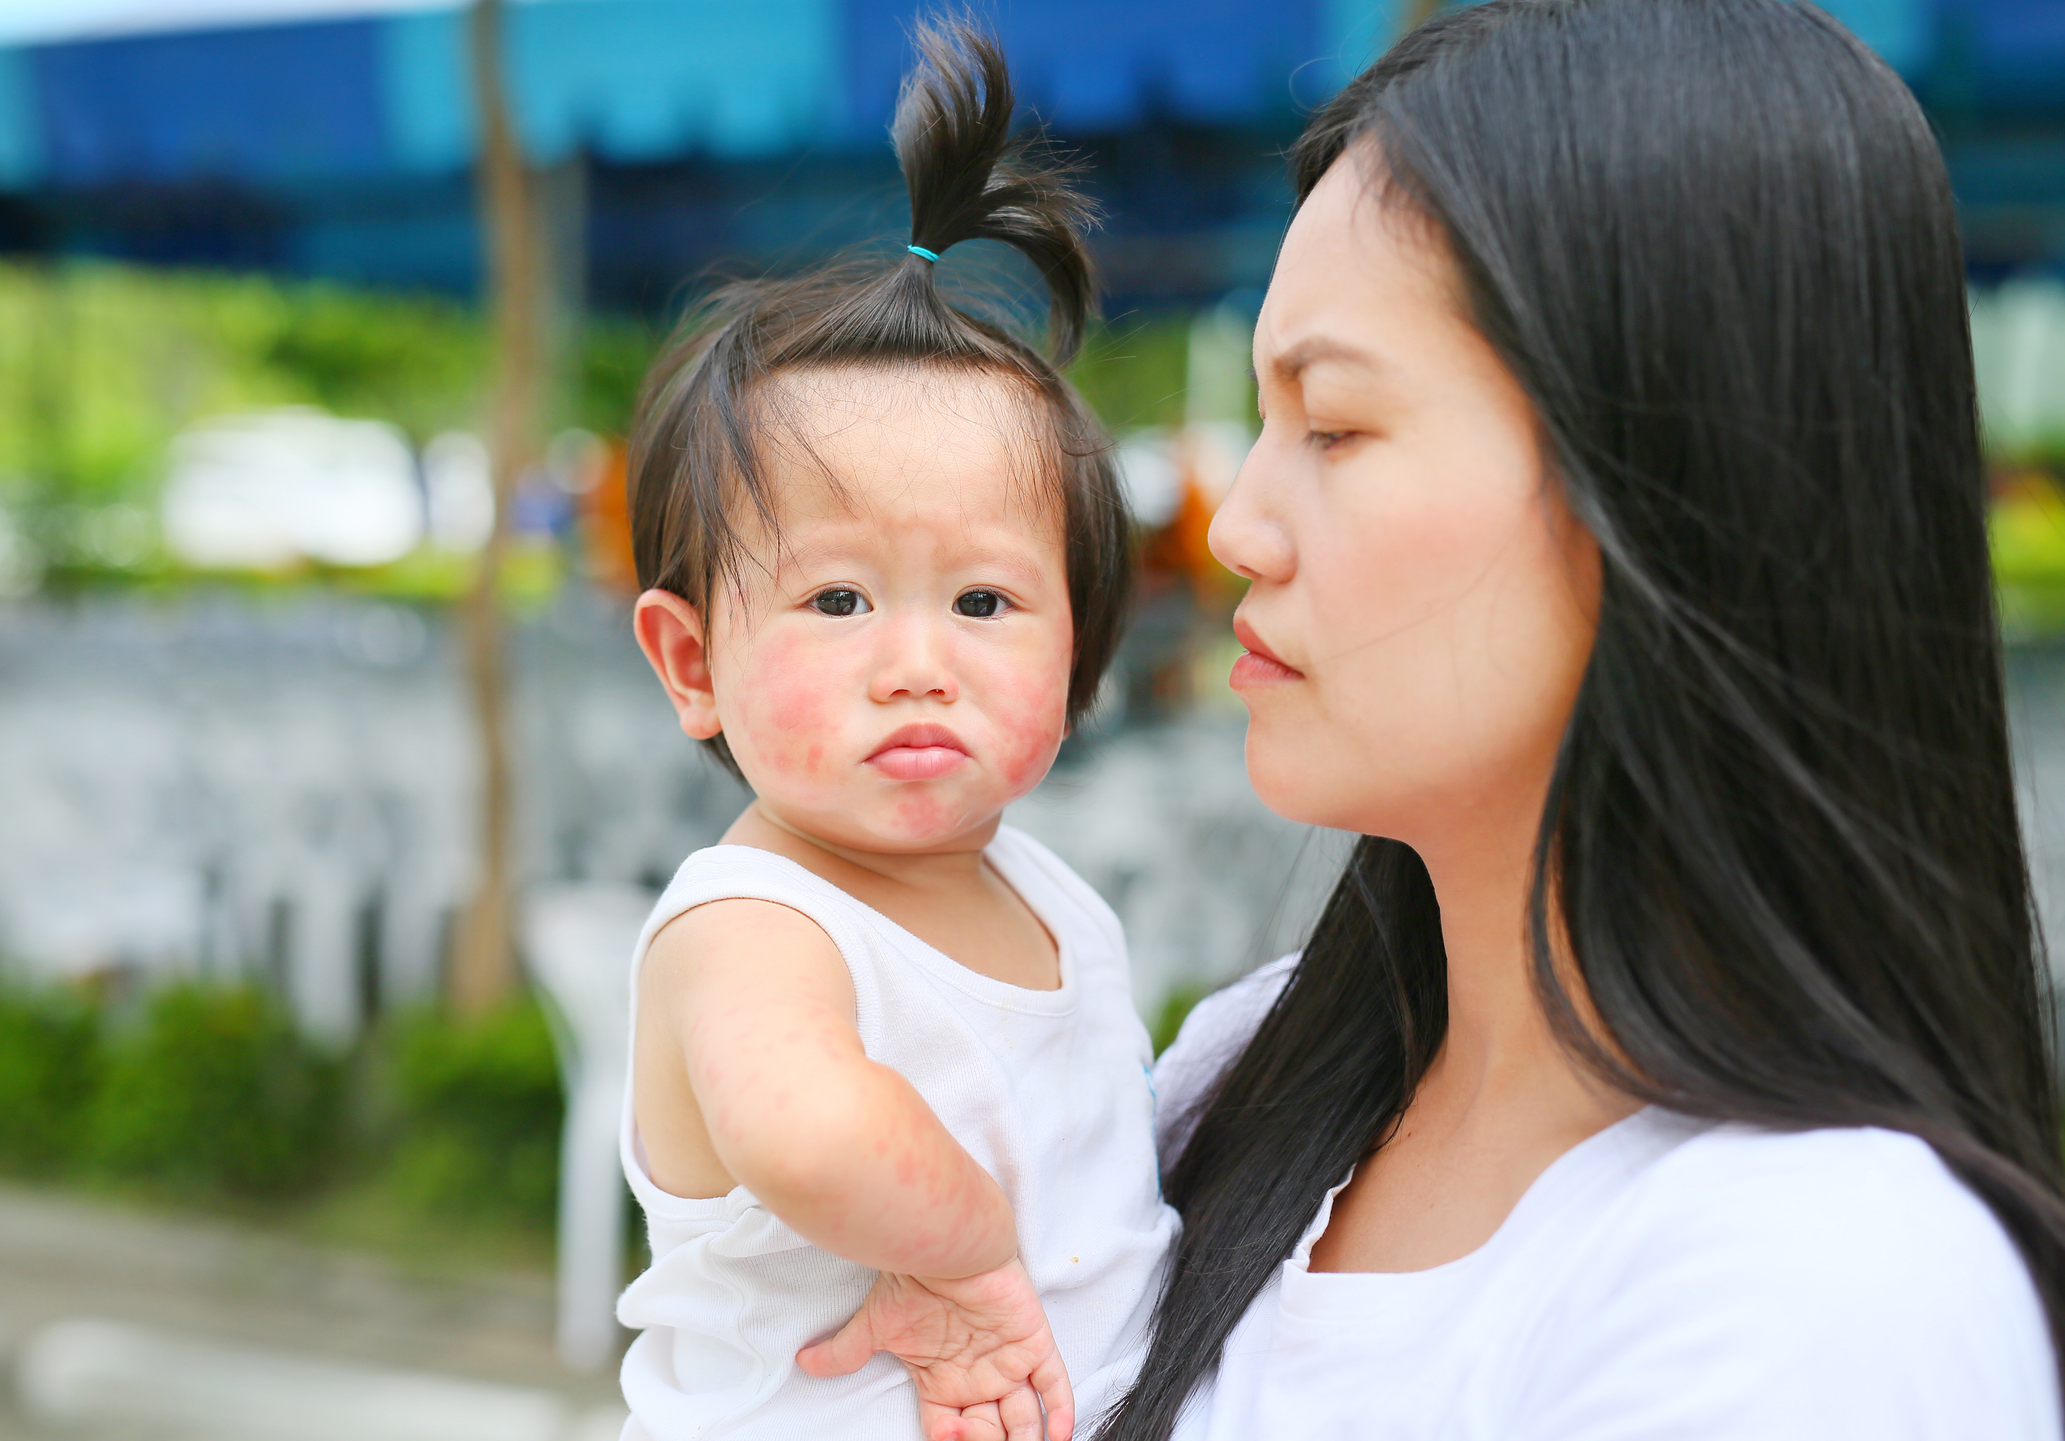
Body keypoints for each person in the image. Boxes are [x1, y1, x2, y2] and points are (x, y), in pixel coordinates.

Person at [1098, 2, 2065, 1438]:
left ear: (1667, 473)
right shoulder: (1237, 1081)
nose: (1239, 525)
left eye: (1337, 426)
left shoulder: (1824, 1284)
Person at [614, 20, 1172, 1441]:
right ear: (693, 663)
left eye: (986, 600)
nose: (917, 663)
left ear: (1082, 642)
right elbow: (808, 1128)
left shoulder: (1052, 901)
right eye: (840, 597)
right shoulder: (755, 923)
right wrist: (968, 1258)